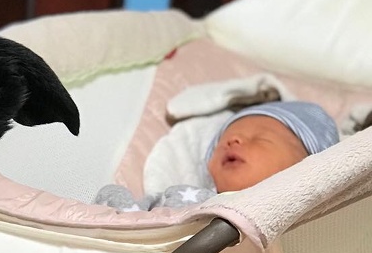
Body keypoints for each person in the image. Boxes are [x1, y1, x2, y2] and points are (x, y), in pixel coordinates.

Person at [96, 101, 340, 211]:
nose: (233, 141)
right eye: (223, 141)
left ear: (305, 166)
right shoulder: (187, 198)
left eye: (261, 138)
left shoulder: (303, 234)